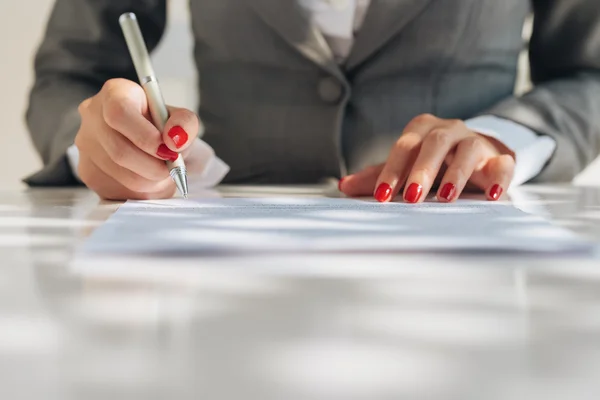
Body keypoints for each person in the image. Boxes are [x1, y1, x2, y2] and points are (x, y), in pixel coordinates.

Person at [25, 0, 600, 203]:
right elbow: (71, 73)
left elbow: (588, 70)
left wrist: (506, 138)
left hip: (476, 256)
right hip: (220, 276)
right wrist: (101, 147)